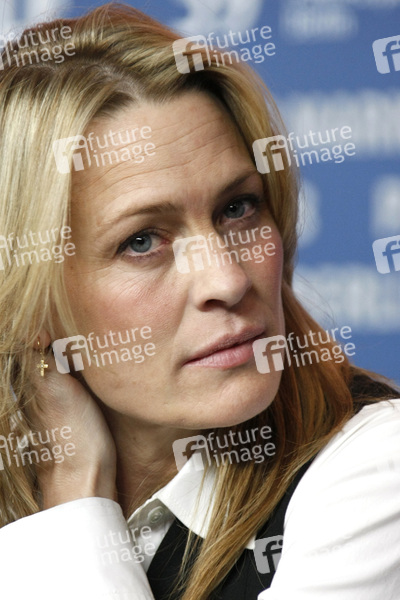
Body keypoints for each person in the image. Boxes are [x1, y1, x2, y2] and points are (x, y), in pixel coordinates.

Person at [0, 4, 399, 599]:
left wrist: (75, 496)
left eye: (237, 208)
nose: (228, 280)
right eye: (142, 241)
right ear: (30, 305)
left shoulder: (378, 467)